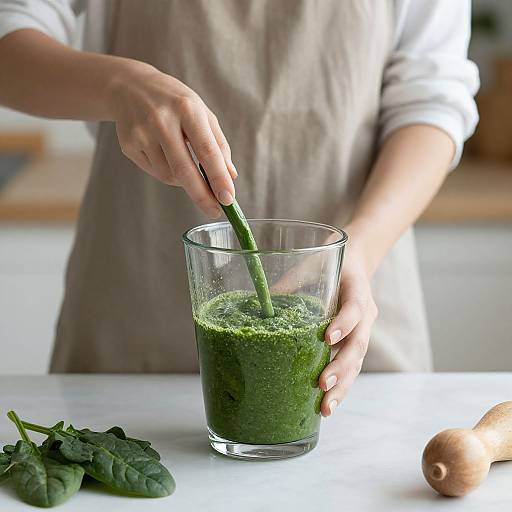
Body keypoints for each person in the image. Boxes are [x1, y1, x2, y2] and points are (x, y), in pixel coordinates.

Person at [0, 1, 479, 417]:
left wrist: (360, 250)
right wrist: (120, 84)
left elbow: (432, 99)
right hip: (136, 306)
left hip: (352, 296)